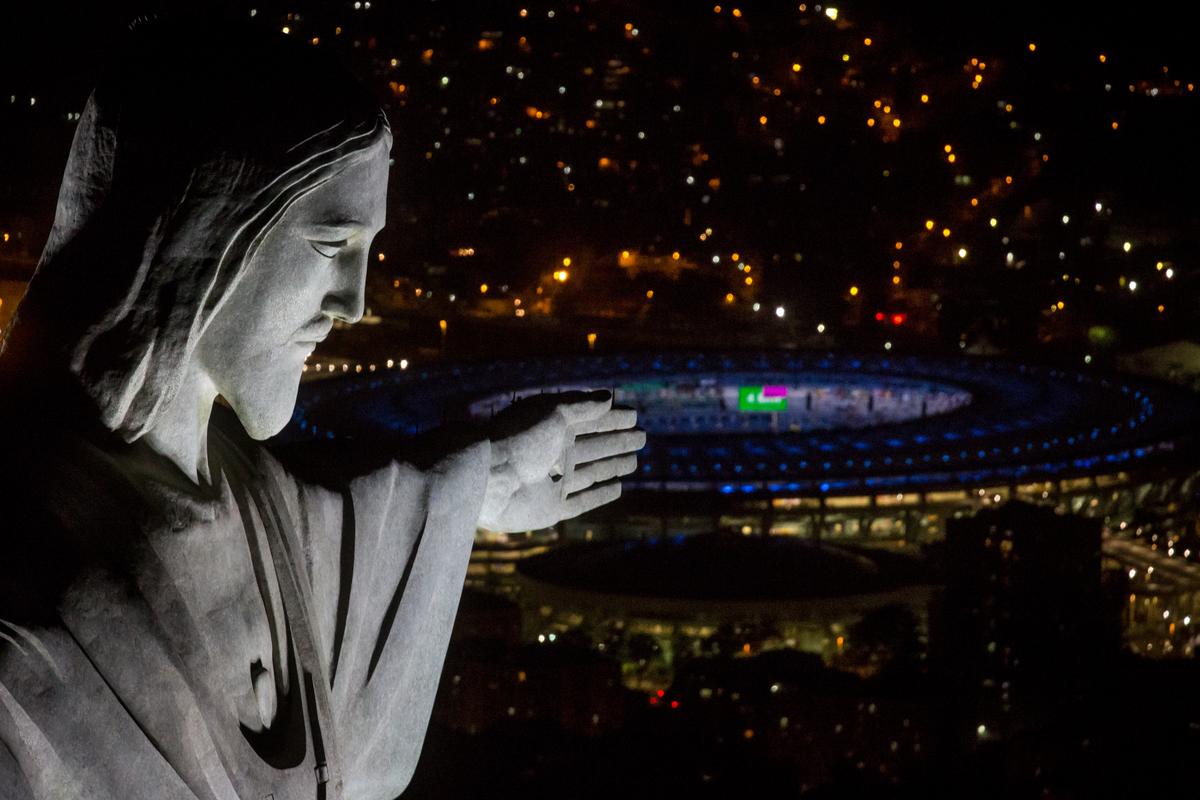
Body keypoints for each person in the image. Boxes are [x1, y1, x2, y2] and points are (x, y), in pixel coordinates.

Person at [0, 17, 643, 800]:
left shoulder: (249, 491)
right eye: (332, 247)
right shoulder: (26, 577)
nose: (355, 304)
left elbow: (323, 521)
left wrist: (489, 475)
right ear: (207, 231)